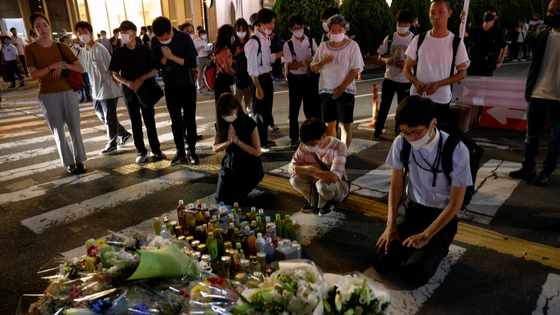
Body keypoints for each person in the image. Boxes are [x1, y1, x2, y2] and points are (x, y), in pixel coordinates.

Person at [373, 95, 472, 288]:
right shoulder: (401, 143)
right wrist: (391, 225)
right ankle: (416, 250)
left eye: (417, 132)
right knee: (380, 262)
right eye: (406, 132)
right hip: (411, 211)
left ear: (433, 123)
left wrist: (427, 235)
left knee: (413, 275)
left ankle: (436, 247)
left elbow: (455, 203)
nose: (411, 138)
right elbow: (396, 186)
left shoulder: (456, 150)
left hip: (440, 218)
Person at [24, 12, 87, 174]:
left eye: (45, 25)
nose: (42, 29)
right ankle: (68, 162)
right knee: (58, 130)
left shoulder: (61, 46)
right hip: (47, 94)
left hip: (67, 91)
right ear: (33, 29)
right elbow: (33, 75)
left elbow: (79, 68)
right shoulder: (30, 49)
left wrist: (63, 65)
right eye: (38, 26)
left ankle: (80, 160)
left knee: (74, 126)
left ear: (49, 26)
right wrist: (53, 66)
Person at [509, 0, 560, 187]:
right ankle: (527, 167)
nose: (552, 14)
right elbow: (535, 64)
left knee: (555, 140)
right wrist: (529, 91)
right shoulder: (544, 36)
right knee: (532, 137)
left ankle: (546, 172)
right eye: (550, 11)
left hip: (556, 98)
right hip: (537, 94)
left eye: (557, 11)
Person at [403, 0, 469, 125]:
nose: (436, 16)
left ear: (449, 13)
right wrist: (416, 83)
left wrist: (439, 84)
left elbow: (462, 72)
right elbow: (407, 68)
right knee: (416, 133)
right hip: (418, 98)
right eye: (432, 13)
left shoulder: (456, 42)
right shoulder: (419, 39)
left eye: (440, 12)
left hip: (441, 99)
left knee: (438, 136)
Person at [109, 20, 165, 163]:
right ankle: (141, 151)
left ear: (134, 33)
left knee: (150, 120)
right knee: (135, 121)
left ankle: (156, 149)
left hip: (145, 90)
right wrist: (127, 82)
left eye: (126, 32)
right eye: (121, 33)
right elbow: (114, 72)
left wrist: (142, 78)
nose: (123, 35)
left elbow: (155, 69)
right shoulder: (119, 51)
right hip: (129, 92)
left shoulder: (144, 49)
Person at [75, 21, 133, 155]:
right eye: (79, 33)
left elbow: (112, 70)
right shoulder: (84, 51)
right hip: (96, 90)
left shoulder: (100, 49)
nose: (82, 35)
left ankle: (111, 144)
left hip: (107, 88)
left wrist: (118, 87)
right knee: (102, 116)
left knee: (109, 118)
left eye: (85, 32)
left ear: (90, 33)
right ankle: (124, 134)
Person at [151, 16, 200, 164]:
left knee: (190, 119)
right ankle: (180, 152)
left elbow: (192, 62)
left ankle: (192, 151)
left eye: (165, 38)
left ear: (171, 30)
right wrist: (165, 59)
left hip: (187, 84)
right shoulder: (154, 41)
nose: (163, 41)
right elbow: (157, 65)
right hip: (170, 85)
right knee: (175, 121)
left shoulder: (184, 38)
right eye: (160, 39)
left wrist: (171, 56)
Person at [310, 14, 363, 148]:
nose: (337, 33)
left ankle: (343, 153)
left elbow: (355, 69)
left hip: (346, 90)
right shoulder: (323, 46)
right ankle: (332, 152)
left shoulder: (353, 46)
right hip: (326, 90)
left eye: (340, 30)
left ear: (345, 30)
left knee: (345, 124)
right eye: (333, 30)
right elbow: (313, 67)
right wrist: (322, 62)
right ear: (328, 32)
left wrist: (341, 88)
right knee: (329, 124)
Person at [289, 117, 349, 216]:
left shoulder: (339, 147)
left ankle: (327, 201)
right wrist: (300, 169)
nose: (309, 147)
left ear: (323, 136)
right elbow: (291, 168)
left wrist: (308, 170)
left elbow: (333, 177)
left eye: (312, 144)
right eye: (306, 144)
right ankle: (315, 201)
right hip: (317, 179)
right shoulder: (304, 145)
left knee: (323, 185)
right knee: (295, 179)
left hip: (337, 184)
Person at [213, 93, 264, 204]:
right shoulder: (221, 123)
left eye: (230, 113)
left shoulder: (249, 123)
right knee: (221, 198)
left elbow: (257, 151)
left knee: (236, 199)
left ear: (237, 107)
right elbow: (215, 147)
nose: (227, 117)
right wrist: (228, 142)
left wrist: (237, 142)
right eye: (224, 115)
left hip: (248, 164)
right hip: (230, 163)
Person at [373, 9, 415, 141]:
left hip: (405, 79)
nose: (402, 26)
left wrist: (407, 64)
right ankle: (377, 131)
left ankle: (399, 132)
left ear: (410, 24)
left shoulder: (414, 39)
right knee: (384, 106)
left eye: (405, 24)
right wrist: (386, 60)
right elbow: (379, 55)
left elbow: (420, 60)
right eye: (399, 23)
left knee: (403, 108)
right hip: (389, 78)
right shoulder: (390, 38)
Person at [245, 8, 284, 151]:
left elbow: (268, 58)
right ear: (261, 23)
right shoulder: (253, 42)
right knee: (258, 113)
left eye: (273, 23)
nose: (272, 26)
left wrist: (282, 52)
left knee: (266, 112)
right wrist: (258, 87)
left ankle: (264, 140)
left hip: (267, 78)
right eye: (270, 23)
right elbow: (252, 68)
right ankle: (258, 143)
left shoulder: (266, 39)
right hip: (258, 80)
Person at [283, 14, 320, 148]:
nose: (299, 29)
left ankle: (311, 135)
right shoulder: (288, 45)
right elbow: (290, 65)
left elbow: (317, 55)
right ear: (290, 29)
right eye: (296, 28)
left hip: (309, 78)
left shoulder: (310, 41)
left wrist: (312, 63)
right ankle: (294, 138)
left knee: (310, 110)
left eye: (301, 27)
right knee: (294, 110)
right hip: (295, 78)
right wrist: (301, 63)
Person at [232, 18, 253, 113]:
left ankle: (249, 121)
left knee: (249, 101)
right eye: (238, 30)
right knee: (237, 101)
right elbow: (229, 60)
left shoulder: (250, 42)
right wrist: (235, 55)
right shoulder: (233, 43)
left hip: (248, 75)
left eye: (243, 30)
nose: (241, 32)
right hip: (237, 76)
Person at [213, 25, 236, 101]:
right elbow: (229, 70)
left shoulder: (219, 48)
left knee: (221, 107)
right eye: (232, 34)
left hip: (219, 80)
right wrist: (239, 75)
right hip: (224, 82)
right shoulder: (226, 50)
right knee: (227, 106)